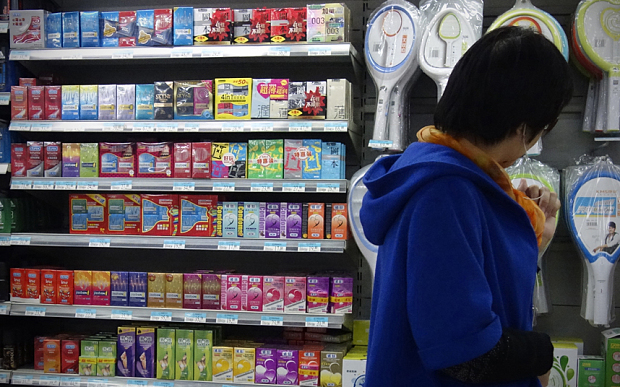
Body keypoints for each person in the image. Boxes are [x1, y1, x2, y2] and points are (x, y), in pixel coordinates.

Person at [360, 26, 573, 387]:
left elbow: (468, 286)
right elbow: (462, 353)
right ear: (524, 127)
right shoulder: (447, 190)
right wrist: (538, 354)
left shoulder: (452, 177)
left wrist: (533, 233)